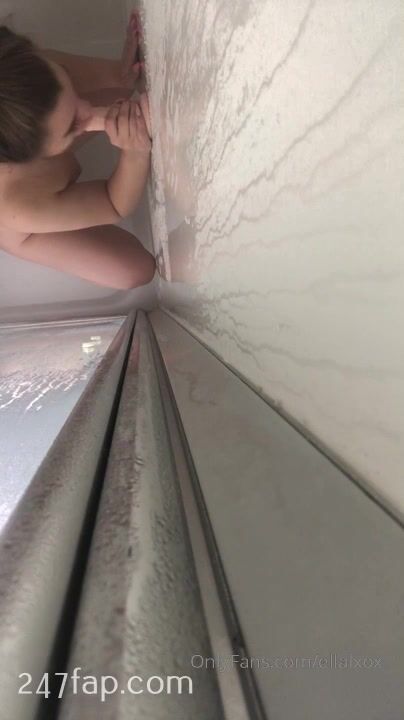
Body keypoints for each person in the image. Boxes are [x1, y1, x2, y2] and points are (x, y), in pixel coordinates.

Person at [0, 14, 156, 290]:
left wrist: (121, 75)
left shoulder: (27, 71)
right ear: (33, 156)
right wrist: (135, 154)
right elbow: (112, 204)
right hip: (26, 224)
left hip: (38, 129)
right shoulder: (18, 207)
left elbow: (96, 81)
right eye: (72, 125)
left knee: (84, 99)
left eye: (68, 82)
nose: (87, 110)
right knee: (135, 271)